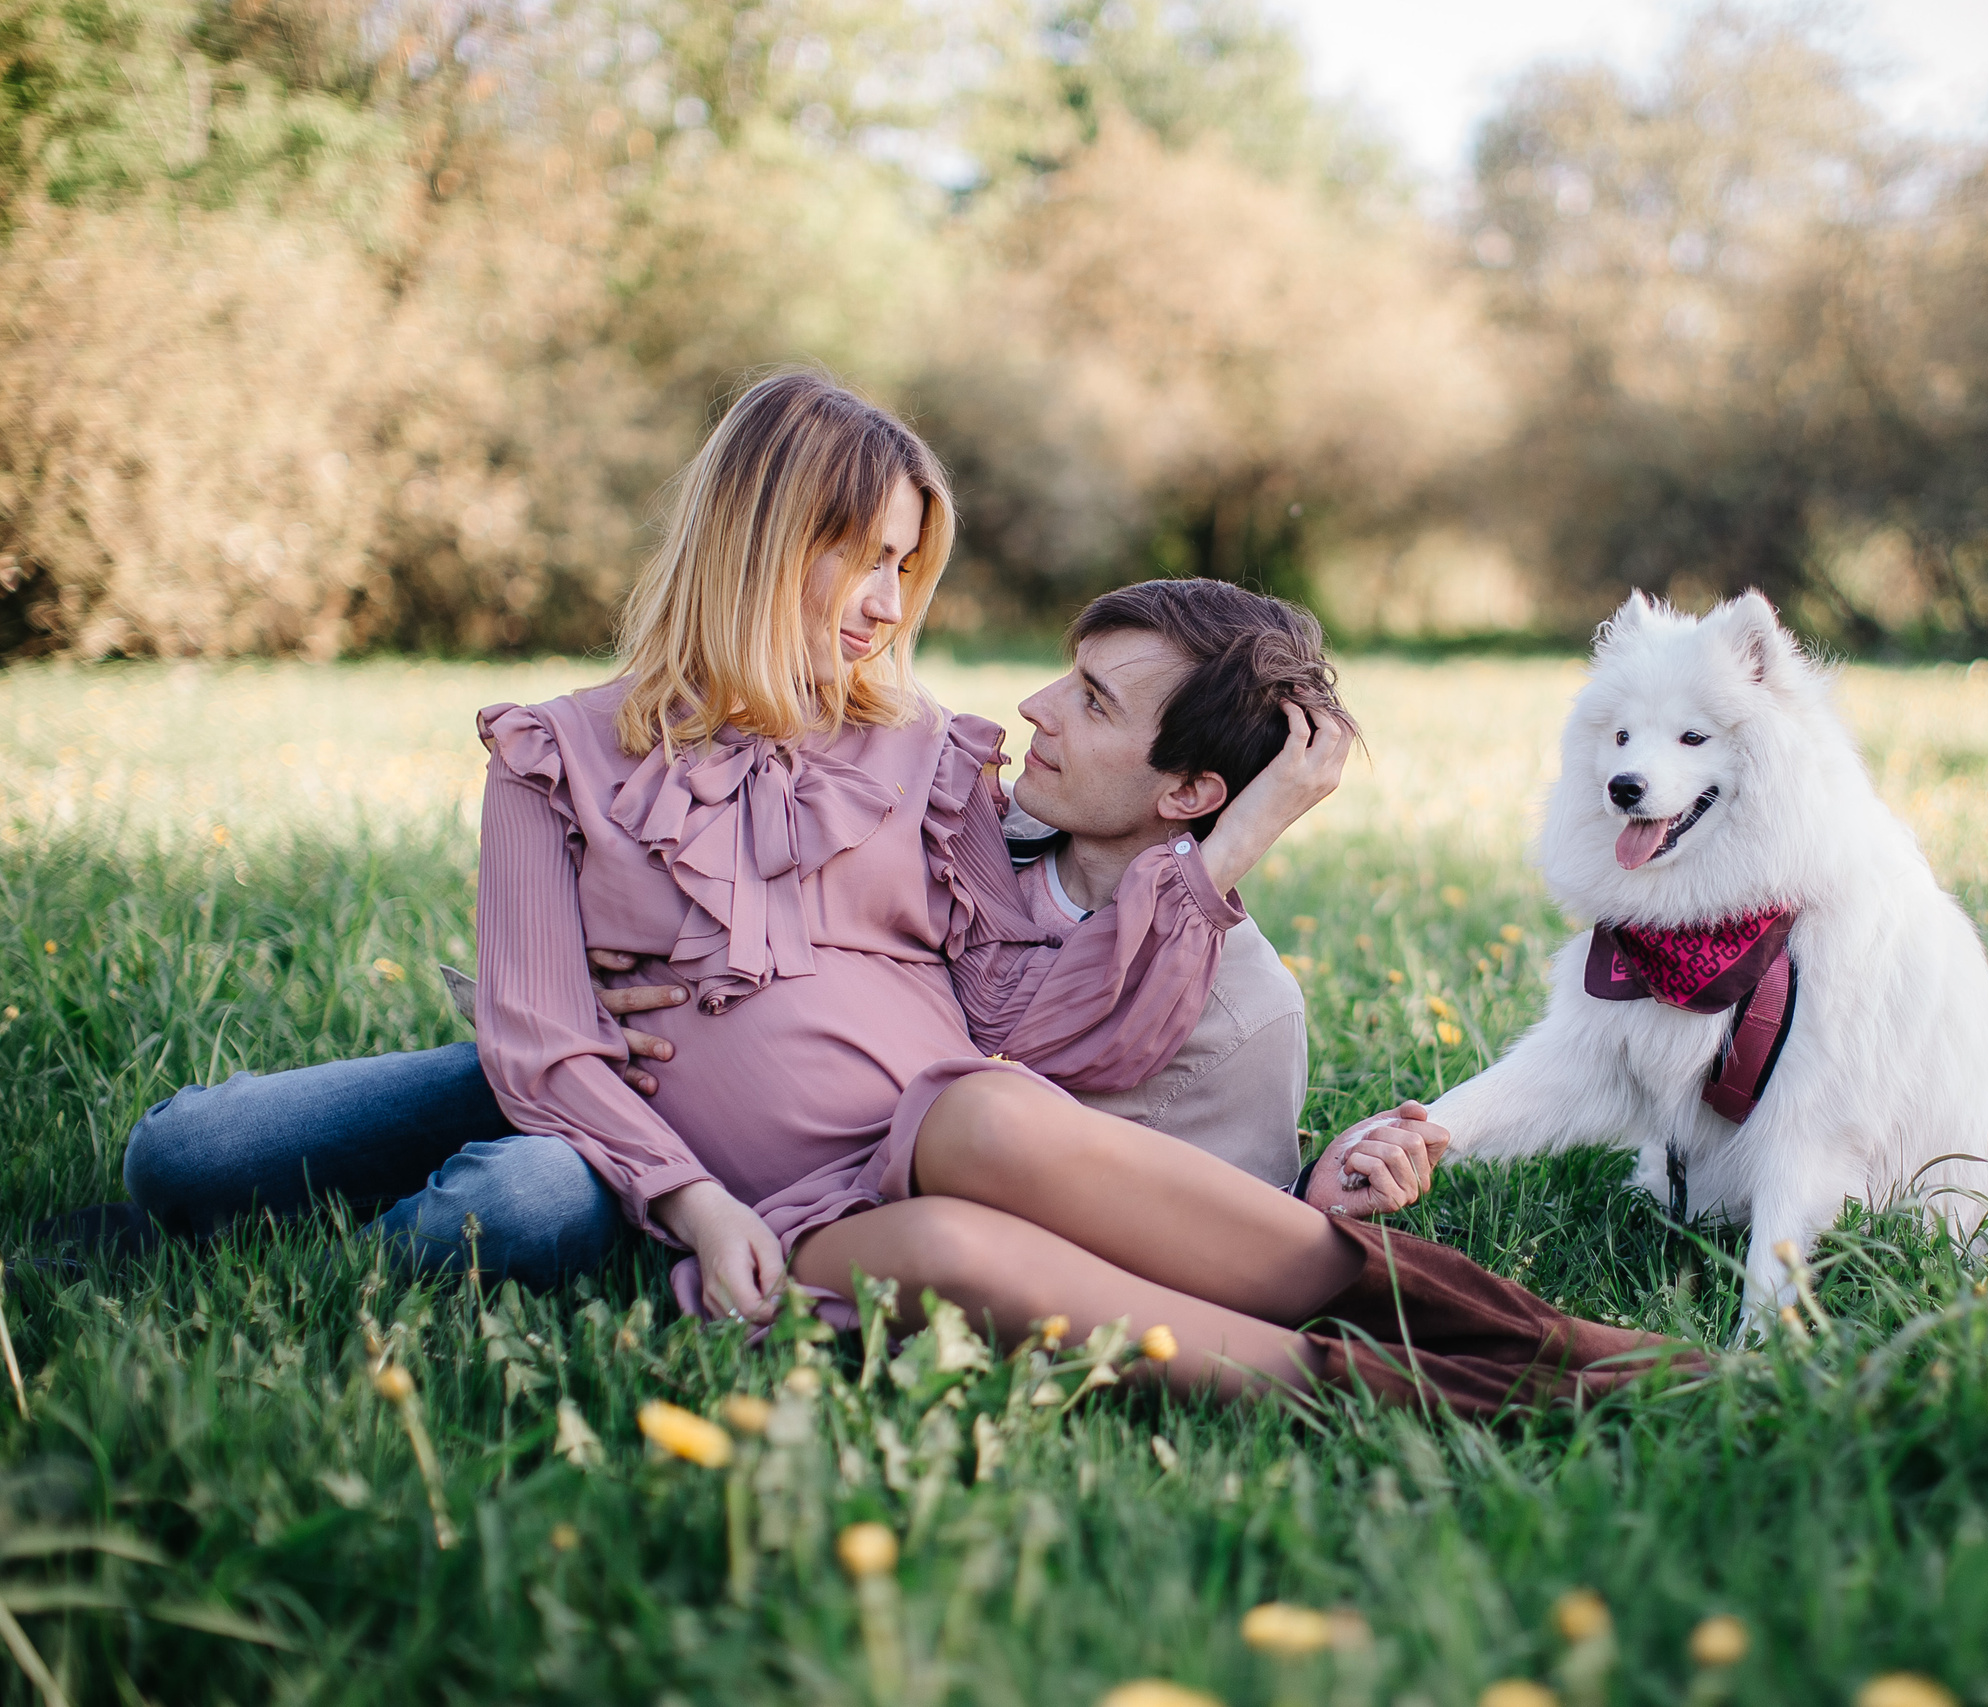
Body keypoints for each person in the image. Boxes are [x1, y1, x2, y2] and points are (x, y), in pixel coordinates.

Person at [104, 373, 1669, 1409]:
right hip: (739, 1187)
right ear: (752, 538)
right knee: (202, 1160)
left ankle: (1549, 1345)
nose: (882, 604)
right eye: (855, 558)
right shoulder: (551, 758)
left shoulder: (927, 759)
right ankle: (1377, 1389)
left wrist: (1233, 842)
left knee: (985, 1116)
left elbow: (1045, 1019)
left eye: (904, 567)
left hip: (918, 1133)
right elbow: (540, 1040)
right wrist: (694, 1197)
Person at [86, 578, 1433, 1291]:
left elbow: (1183, 1210)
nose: (1034, 706)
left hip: (759, 1185)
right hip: (604, 1064)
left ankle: (299, 1269)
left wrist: (1234, 858)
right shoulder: (980, 809)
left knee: (509, 1215)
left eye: (1088, 698)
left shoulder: (1234, 1011)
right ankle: (205, 1215)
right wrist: (611, 978)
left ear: (1194, 791)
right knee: (187, 1155)